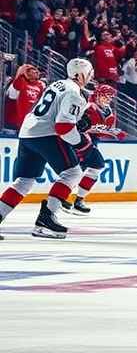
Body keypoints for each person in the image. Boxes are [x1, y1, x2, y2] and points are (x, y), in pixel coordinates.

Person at [0, 57, 94, 240]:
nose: (90, 76)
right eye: (89, 73)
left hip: (27, 132)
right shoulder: (74, 93)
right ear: (81, 74)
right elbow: (63, 127)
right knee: (72, 173)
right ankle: (46, 220)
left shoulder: (57, 84)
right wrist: (81, 143)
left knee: (24, 181)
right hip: (45, 134)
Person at [66, 84, 128, 214]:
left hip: (91, 143)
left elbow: (101, 131)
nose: (108, 99)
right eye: (105, 96)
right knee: (76, 170)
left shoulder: (110, 113)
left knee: (97, 166)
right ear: (98, 95)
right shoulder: (87, 106)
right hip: (78, 142)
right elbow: (74, 124)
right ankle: (62, 197)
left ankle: (79, 200)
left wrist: (114, 132)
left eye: (110, 97)